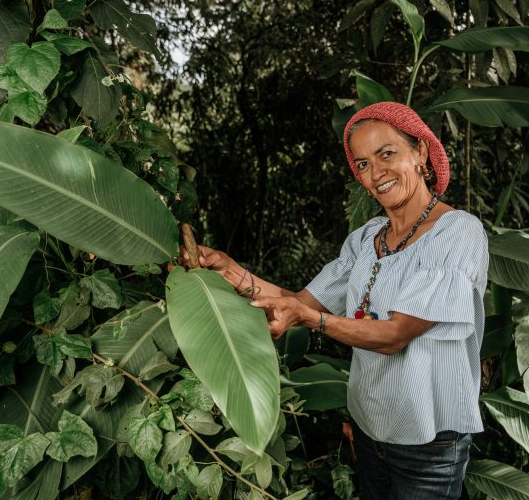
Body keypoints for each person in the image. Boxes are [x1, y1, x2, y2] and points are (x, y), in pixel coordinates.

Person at [182, 101, 488, 499]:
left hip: (429, 444)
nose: (376, 173)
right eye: (362, 164)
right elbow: (299, 300)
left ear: (420, 153)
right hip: (369, 429)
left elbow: (395, 334)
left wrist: (310, 320)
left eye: (387, 154)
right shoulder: (367, 238)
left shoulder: (458, 233)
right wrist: (228, 270)